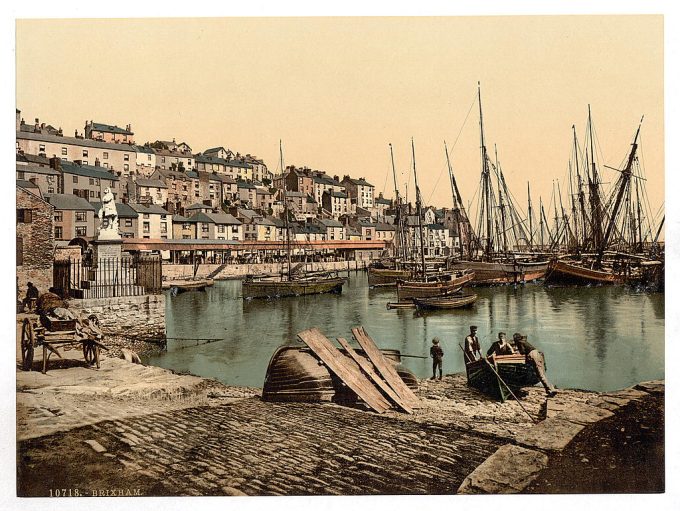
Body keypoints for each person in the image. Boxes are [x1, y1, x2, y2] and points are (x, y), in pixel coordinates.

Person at [512, 333, 557, 397]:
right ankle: (551, 389)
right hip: (537, 354)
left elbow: (522, 352)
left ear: (516, 338)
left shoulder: (519, 342)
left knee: (540, 375)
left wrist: (516, 352)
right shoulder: (524, 341)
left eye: (514, 338)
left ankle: (551, 390)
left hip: (533, 356)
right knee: (541, 374)